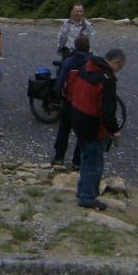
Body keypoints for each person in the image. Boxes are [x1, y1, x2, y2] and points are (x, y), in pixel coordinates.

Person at [69, 48, 126, 210]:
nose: (117, 71)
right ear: (115, 62)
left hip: (78, 119)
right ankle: (88, 196)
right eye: (119, 67)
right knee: (94, 163)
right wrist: (114, 130)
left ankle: (82, 190)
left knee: (86, 158)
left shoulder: (86, 67)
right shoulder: (106, 79)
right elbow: (108, 111)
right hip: (93, 125)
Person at [51, 35, 90, 169]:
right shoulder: (92, 63)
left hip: (69, 101)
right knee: (82, 133)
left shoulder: (68, 62)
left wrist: (59, 98)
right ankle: (77, 162)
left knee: (64, 129)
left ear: (75, 47)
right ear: (88, 47)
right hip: (85, 104)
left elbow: (59, 82)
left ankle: (59, 157)